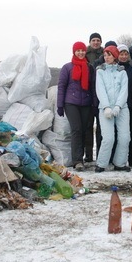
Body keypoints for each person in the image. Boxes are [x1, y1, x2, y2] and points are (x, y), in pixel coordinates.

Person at [57, 41, 97, 171]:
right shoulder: (67, 67)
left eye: (83, 50)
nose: (80, 53)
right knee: (76, 129)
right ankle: (77, 160)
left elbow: (93, 87)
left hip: (86, 103)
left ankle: (84, 157)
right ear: (74, 52)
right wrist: (60, 105)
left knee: (85, 130)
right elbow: (61, 86)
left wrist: (94, 104)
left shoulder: (90, 68)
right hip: (71, 103)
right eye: (78, 50)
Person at [94, 45, 131, 173]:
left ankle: (120, 163)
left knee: (125, 137)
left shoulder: (122, 72)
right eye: (105, 55)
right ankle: (101, 163)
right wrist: (106, 107)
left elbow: (124, 91)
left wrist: (118, 106)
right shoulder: (100, 71)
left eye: (109, 55)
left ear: (115, 56)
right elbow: (100, 89)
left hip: (122, 108)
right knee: (108, 138)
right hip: (105, 109)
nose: (106, 57)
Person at [84, 32, 104, 162]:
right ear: (90, 42)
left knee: (101, 127)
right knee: (88, 127)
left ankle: (101, 154)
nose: (96, 42)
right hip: (88, 94)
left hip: (101, 95)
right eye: (93, 40)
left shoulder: (105, 53)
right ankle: (88, 155)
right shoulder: (84, 54)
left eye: (98, 40)